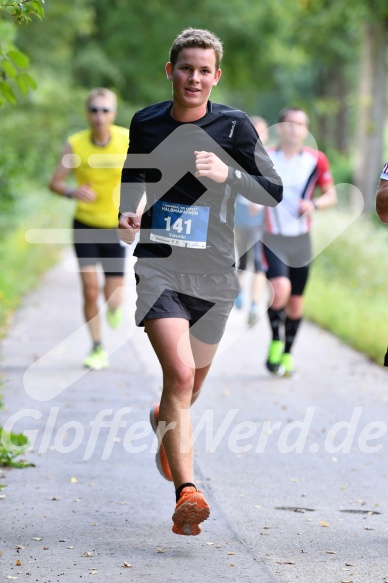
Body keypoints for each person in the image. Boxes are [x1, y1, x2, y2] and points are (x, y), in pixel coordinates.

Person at [118, 28, 283, 536]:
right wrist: (127, 211)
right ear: (171, 71)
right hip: (159, 265)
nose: (194, 77)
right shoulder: (145, 122)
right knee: (181, 376)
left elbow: (272, 191)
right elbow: (134, 173)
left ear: (216, 76)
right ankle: (186, 493)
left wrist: (227, 175)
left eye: (204, 70)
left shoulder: (233, 126)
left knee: (186, 391)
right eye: (186, 68)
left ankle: (163, 422)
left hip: (214, 272)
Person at [49, 88, 129, 370]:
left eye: (105, 110)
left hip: (115, 226)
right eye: (94, 110)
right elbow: (55, 182)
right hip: (84, 224)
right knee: (90, 289)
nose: (99, 116)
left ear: (113, 114)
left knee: (114, 295)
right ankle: (97, 347)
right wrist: (72, 192)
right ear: (87, 113)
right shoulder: (75, 145)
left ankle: (116, 308)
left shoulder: (127, 139)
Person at [262, 107, 337, 377]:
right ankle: (274, 340)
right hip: (272, 237)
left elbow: (331, 195)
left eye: (301, 125)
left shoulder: (317, 160)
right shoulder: (266, 157)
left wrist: (314, 203)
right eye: (291, 124)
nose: (296, 129)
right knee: (279, 290)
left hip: (301, 240)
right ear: (280, 128)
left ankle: (288, 354)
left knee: (295, 302)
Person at [234, 116, 268, 325]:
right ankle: (238, 291)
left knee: (259, 262)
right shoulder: (237, 154)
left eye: (261, 130)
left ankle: (255, 304)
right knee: (244, 260)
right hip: (240, 216)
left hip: (261, 219)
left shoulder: (271, 157)